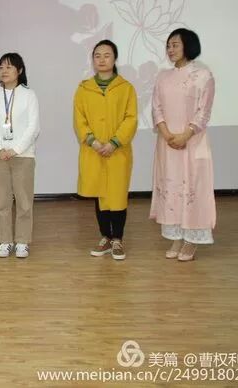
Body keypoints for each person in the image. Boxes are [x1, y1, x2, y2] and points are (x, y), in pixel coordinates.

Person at [150, 28, 216, 262]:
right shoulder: (162, 76)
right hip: (167, 143)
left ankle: (191, 239)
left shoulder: (203, 75)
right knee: (172, 186)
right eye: (168, 45)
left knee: (193, 187)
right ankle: (177, 235)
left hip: (192, 142)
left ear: (189, 45)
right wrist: (167, 134)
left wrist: (185, 135)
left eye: (175, 45)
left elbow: (203, 112)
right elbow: (156, 108)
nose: (170, 49)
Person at [73, 40, 137, 261]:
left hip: (117, 152)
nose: (101, 59)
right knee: (99, 195)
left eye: (106, 55)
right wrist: (92, 141)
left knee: (117, 195)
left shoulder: (126, 88)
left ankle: (117, 238)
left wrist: (114, 142)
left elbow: (131, 118)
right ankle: (105, 237)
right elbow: (79, 119)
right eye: (97, 55)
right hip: (94, 151)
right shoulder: (84, 89)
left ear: (115, 58)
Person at [0, 53, 40, 259]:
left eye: (9, 67)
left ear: (19, 70)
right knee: (2, 201)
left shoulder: (29, 95)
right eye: (1, 67)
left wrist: (15, 149)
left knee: (24, 201)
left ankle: (22, 241)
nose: (4, 71)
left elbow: (33, 127)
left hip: (23, 155)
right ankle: (5, 241)